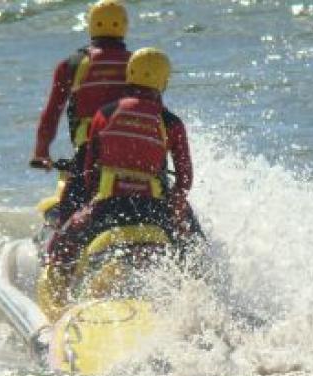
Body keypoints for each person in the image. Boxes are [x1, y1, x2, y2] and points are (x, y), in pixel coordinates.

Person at [45, 47, 201, 273]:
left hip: (109, 208)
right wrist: (175, 207)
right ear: (163, 81)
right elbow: (184, 179)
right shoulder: (172, 123)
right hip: (154, 211)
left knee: (63, 244)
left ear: (129, 74)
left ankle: (59, 284)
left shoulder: (105, 114)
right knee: (194, 244)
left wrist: (92, 203)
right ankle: (204, 284)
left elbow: (90, 171)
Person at [30, 0, 132, 225]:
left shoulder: (72, 64)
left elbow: (51, 114)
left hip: (89, 153)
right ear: (124, 26)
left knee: (68, 216)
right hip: (135, 152)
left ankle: (60, 256)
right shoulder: (138, 64)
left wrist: (41, 153)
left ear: (91, 25)